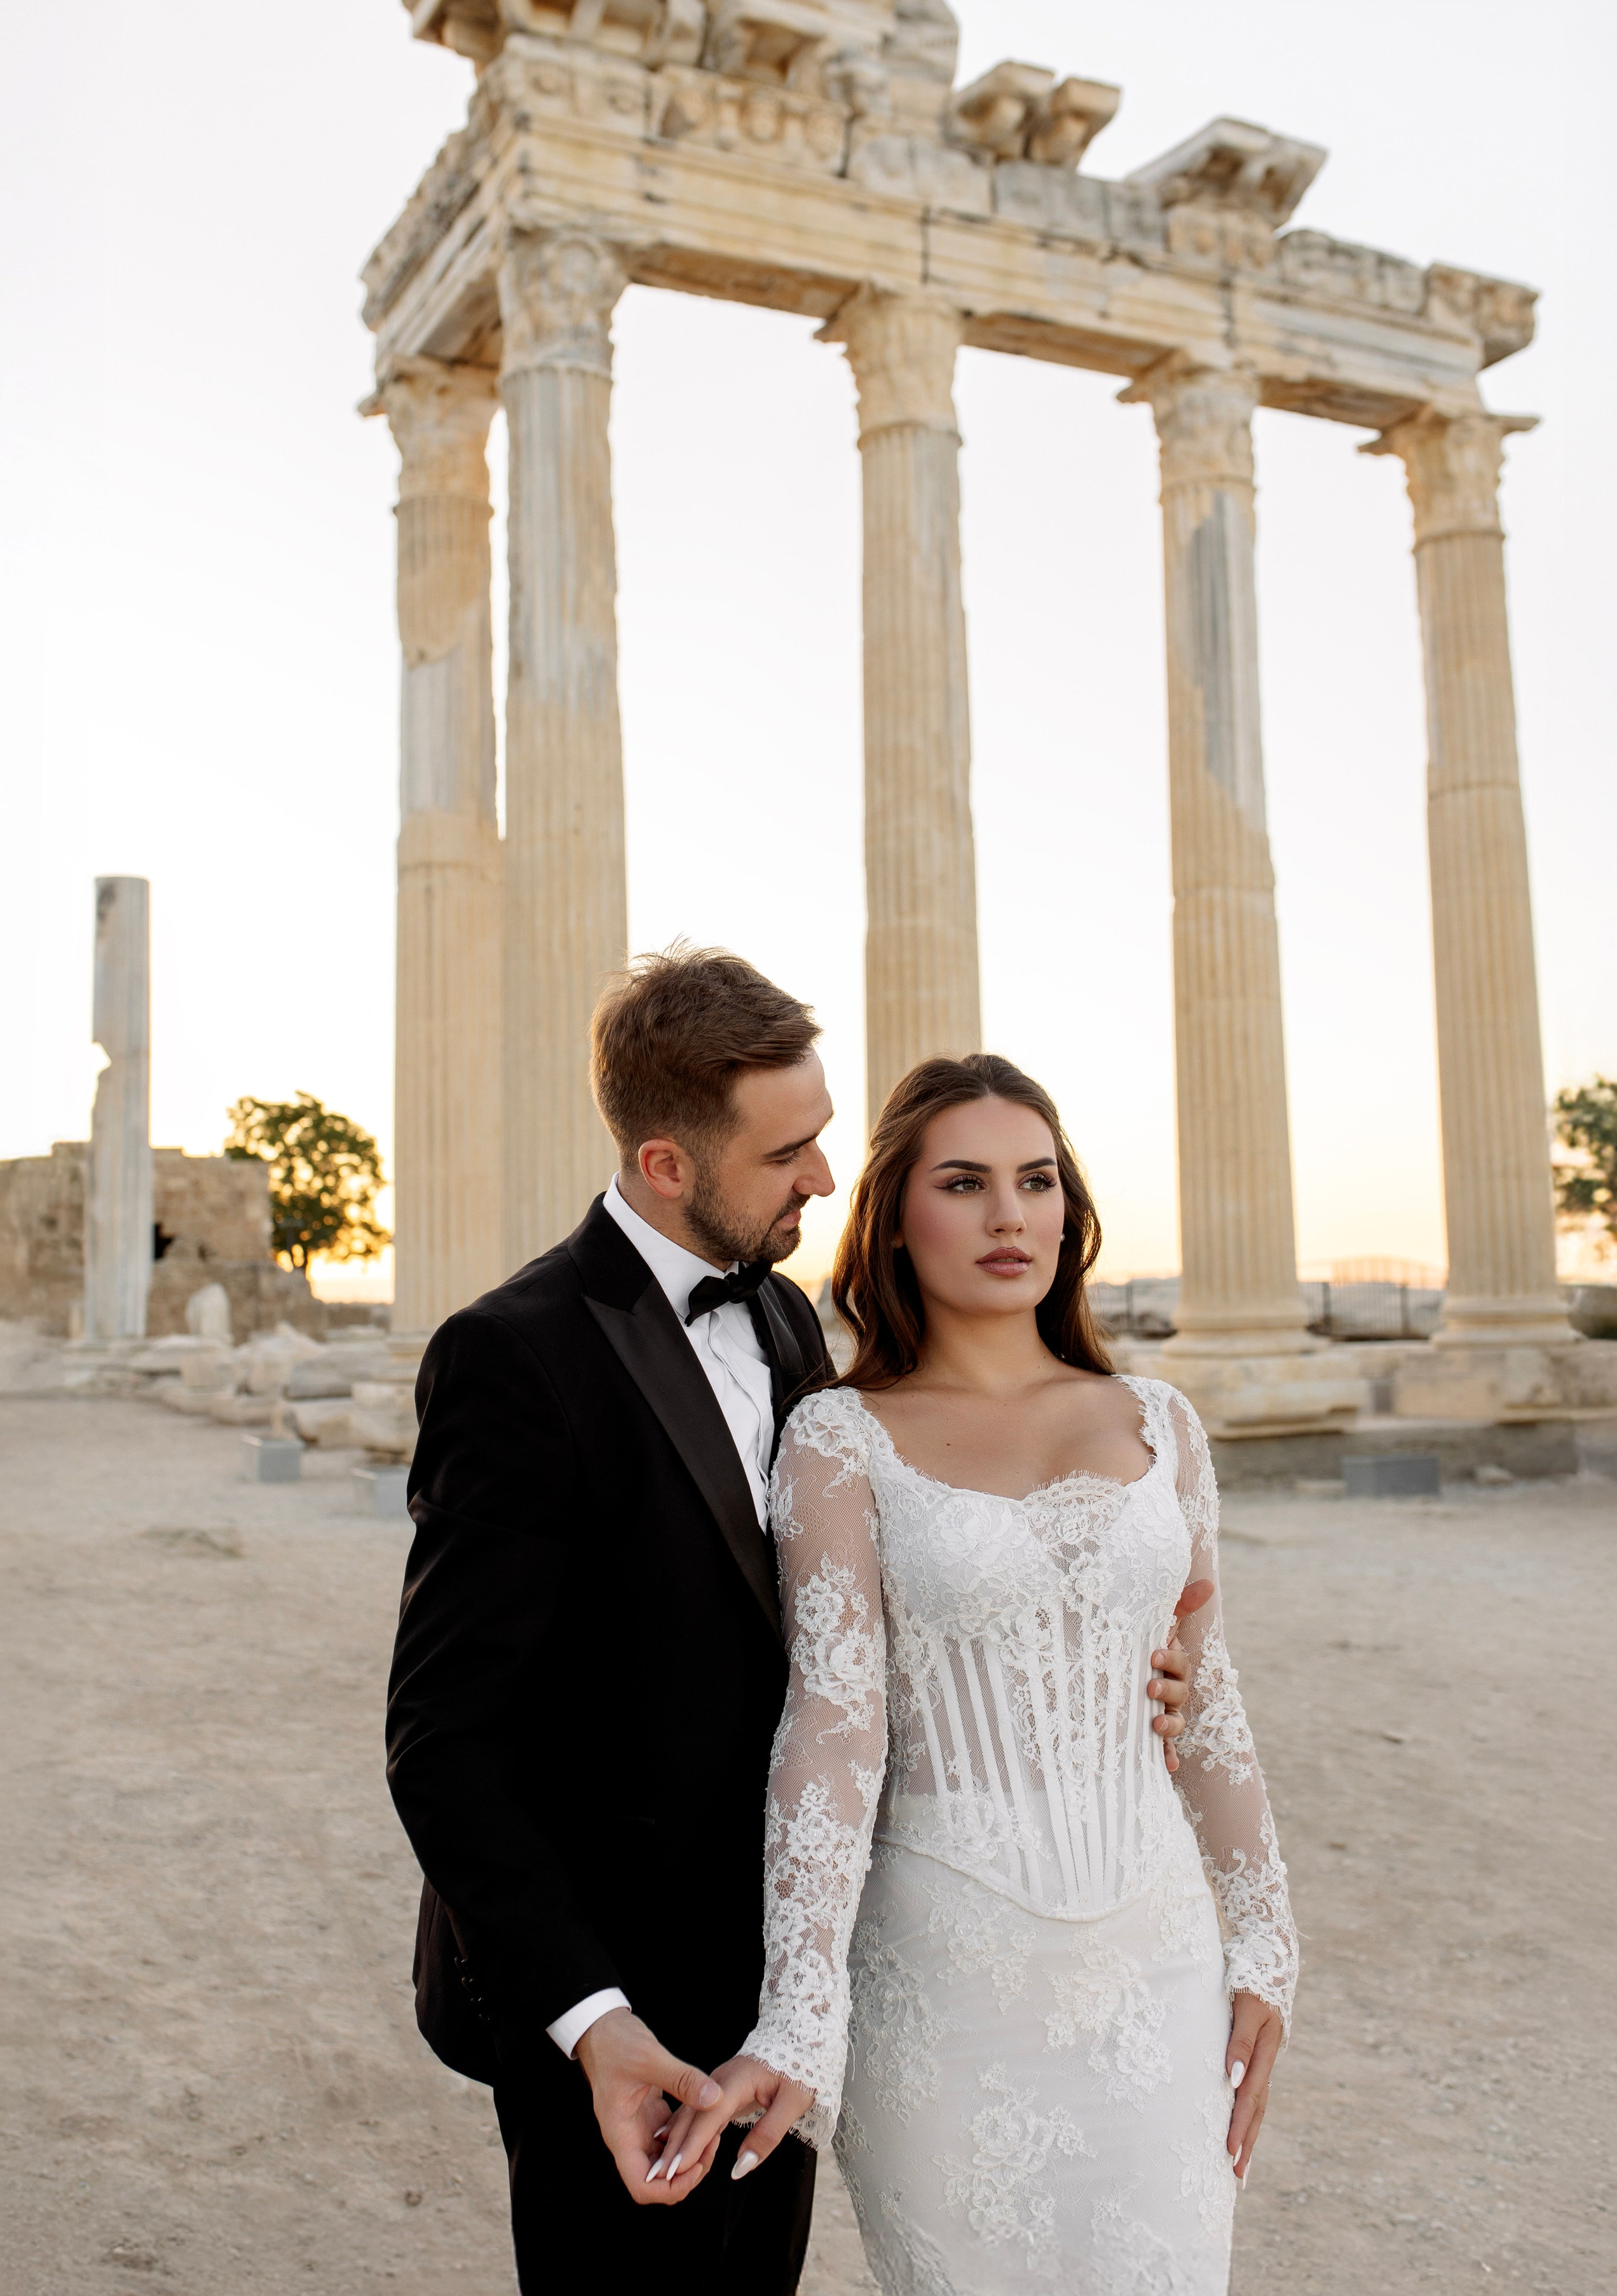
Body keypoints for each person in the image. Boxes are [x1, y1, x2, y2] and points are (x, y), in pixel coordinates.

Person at [385, 954, 1201, 2295]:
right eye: (789, 1152)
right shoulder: (513, 1355)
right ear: (664, 1162)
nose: (823, 1177)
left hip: (801, 1966)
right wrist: (595, 2023)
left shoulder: (776, 1314)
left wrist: (1101, 1660)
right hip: (621, 1993)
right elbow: (444, 1741)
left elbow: (862, 1620)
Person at [660, 1051, 1297, 2295]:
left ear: (1069, 1209)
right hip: (944, 1981)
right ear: (896, 1219)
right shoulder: (838, 1438)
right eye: (964, 1182)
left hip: (1154, 1972)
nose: (1009, 1215)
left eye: (1035, 1180)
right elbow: (831, 1737)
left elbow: (1205, 1695)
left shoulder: (1157, 1422)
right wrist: (800, 2012)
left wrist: (1265, 1945)